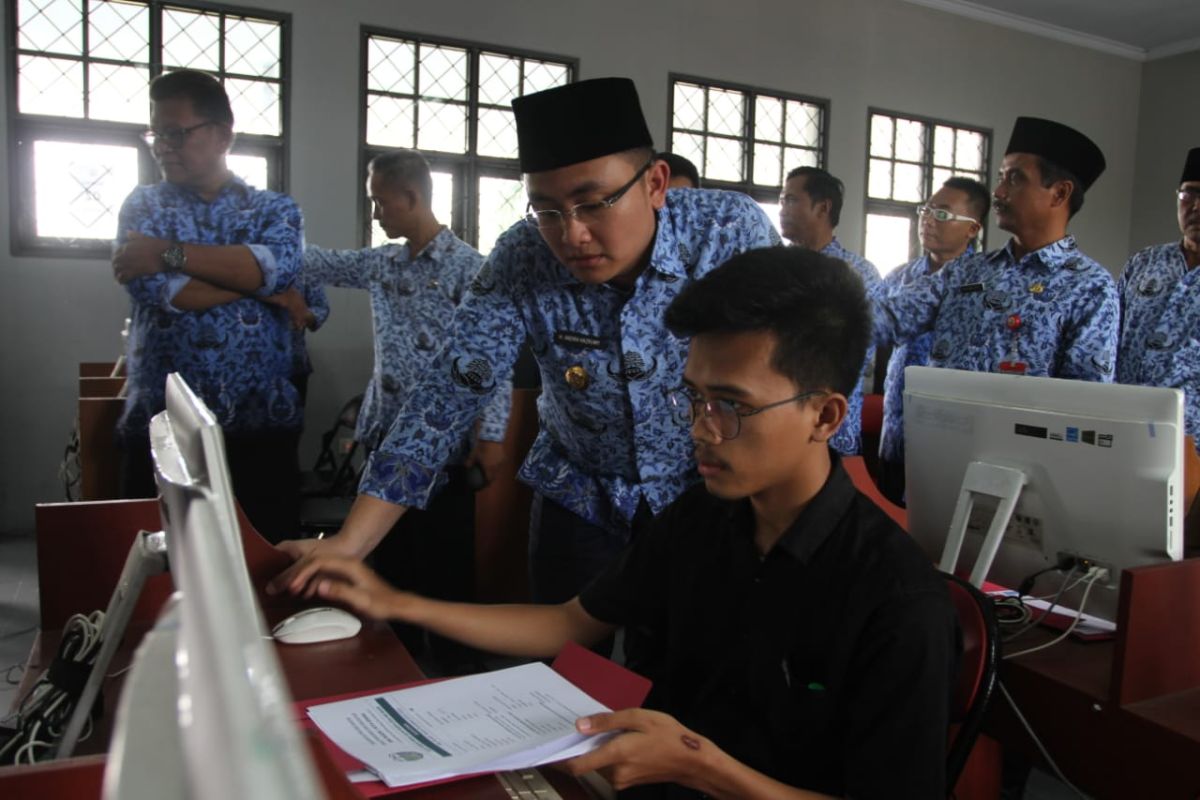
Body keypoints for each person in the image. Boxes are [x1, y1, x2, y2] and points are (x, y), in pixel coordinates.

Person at [274, 246, 959, 799]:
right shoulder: (705, 517)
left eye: (729, 406)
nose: (699, 430)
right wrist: (396, 601)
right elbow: (570, 623)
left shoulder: (895, 600)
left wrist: (702, 768)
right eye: (690, 398)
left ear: (827, 417)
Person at [274, 77, 780, 608]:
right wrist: (352, 543)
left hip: (705, 490)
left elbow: (791, 366)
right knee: (566, 669)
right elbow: (451, 387)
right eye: (547, 211)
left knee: (690, 666)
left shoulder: (728, 233)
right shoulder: (521, 256)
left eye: (594, 204)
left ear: (655, 183)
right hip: (580, 492)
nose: (572, 235)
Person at [301, 149, 511, 669]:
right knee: (389, 567)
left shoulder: (471, 270)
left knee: (442, 570)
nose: (375, 215)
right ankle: (396, 669)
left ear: (412, 197)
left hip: (446, 450)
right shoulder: (383, 263)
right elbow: (317, 261)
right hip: (382, 439)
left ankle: (455, 677)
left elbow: (496, 357)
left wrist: (493, 434)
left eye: (380, 202)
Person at [111, 69, 305, 542]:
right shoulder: (142, 207)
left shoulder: (276, 210)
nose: (163, 146)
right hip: (163, 429)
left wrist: (168, 252)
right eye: (158, 133)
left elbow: (269, 268)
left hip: (260, 425)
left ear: (222, 136)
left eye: (177, 133)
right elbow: (165, 293)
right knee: (161, 572)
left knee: (264, 565)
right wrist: (256, 282)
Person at [873, 117, 1118, 389]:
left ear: (1059, 193)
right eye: (1001, 178)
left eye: (1015, 179)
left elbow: (1085, 401)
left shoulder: (1090, 287)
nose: (999, 192)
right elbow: (887, 319)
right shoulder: (966, 270)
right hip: (938, 430)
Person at [878, 177, 988, 504]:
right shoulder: (900, 277)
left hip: (954, 435)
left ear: (972, 229)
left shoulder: (987, 282)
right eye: (926, 210)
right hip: (897, 425)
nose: (927, 220)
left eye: (941, 214)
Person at [779, 166, 880, 456]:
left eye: (791, 200)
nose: (781, 209)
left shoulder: (859, 274)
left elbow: (858, 350)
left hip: (829, 424)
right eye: (782, 200)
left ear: (823, 207)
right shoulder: (773, 268)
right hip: (774, 420)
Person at [1116, 147, 1200, 449]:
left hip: (1193, 441)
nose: (1196, 206)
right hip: (1127, 429)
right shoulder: (1144, 263)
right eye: (1188, 195)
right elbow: (1109, 337)